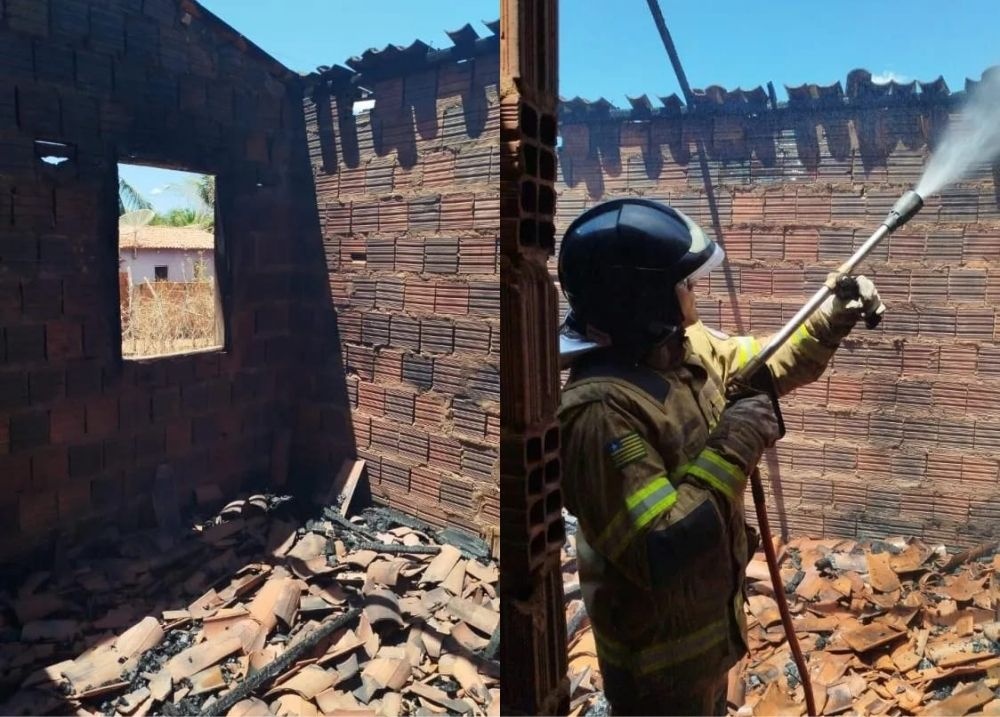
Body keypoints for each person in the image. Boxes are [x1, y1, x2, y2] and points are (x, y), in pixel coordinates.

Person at [556, 198, 884, 715]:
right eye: (683, 282)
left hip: (705, 645)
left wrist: (829, 317)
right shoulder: (599, 411)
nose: (694, 290)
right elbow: (660, 546)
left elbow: (768, 362)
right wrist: (737, 440)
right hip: (656, 674)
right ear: (642, 299)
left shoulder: (683, 349)